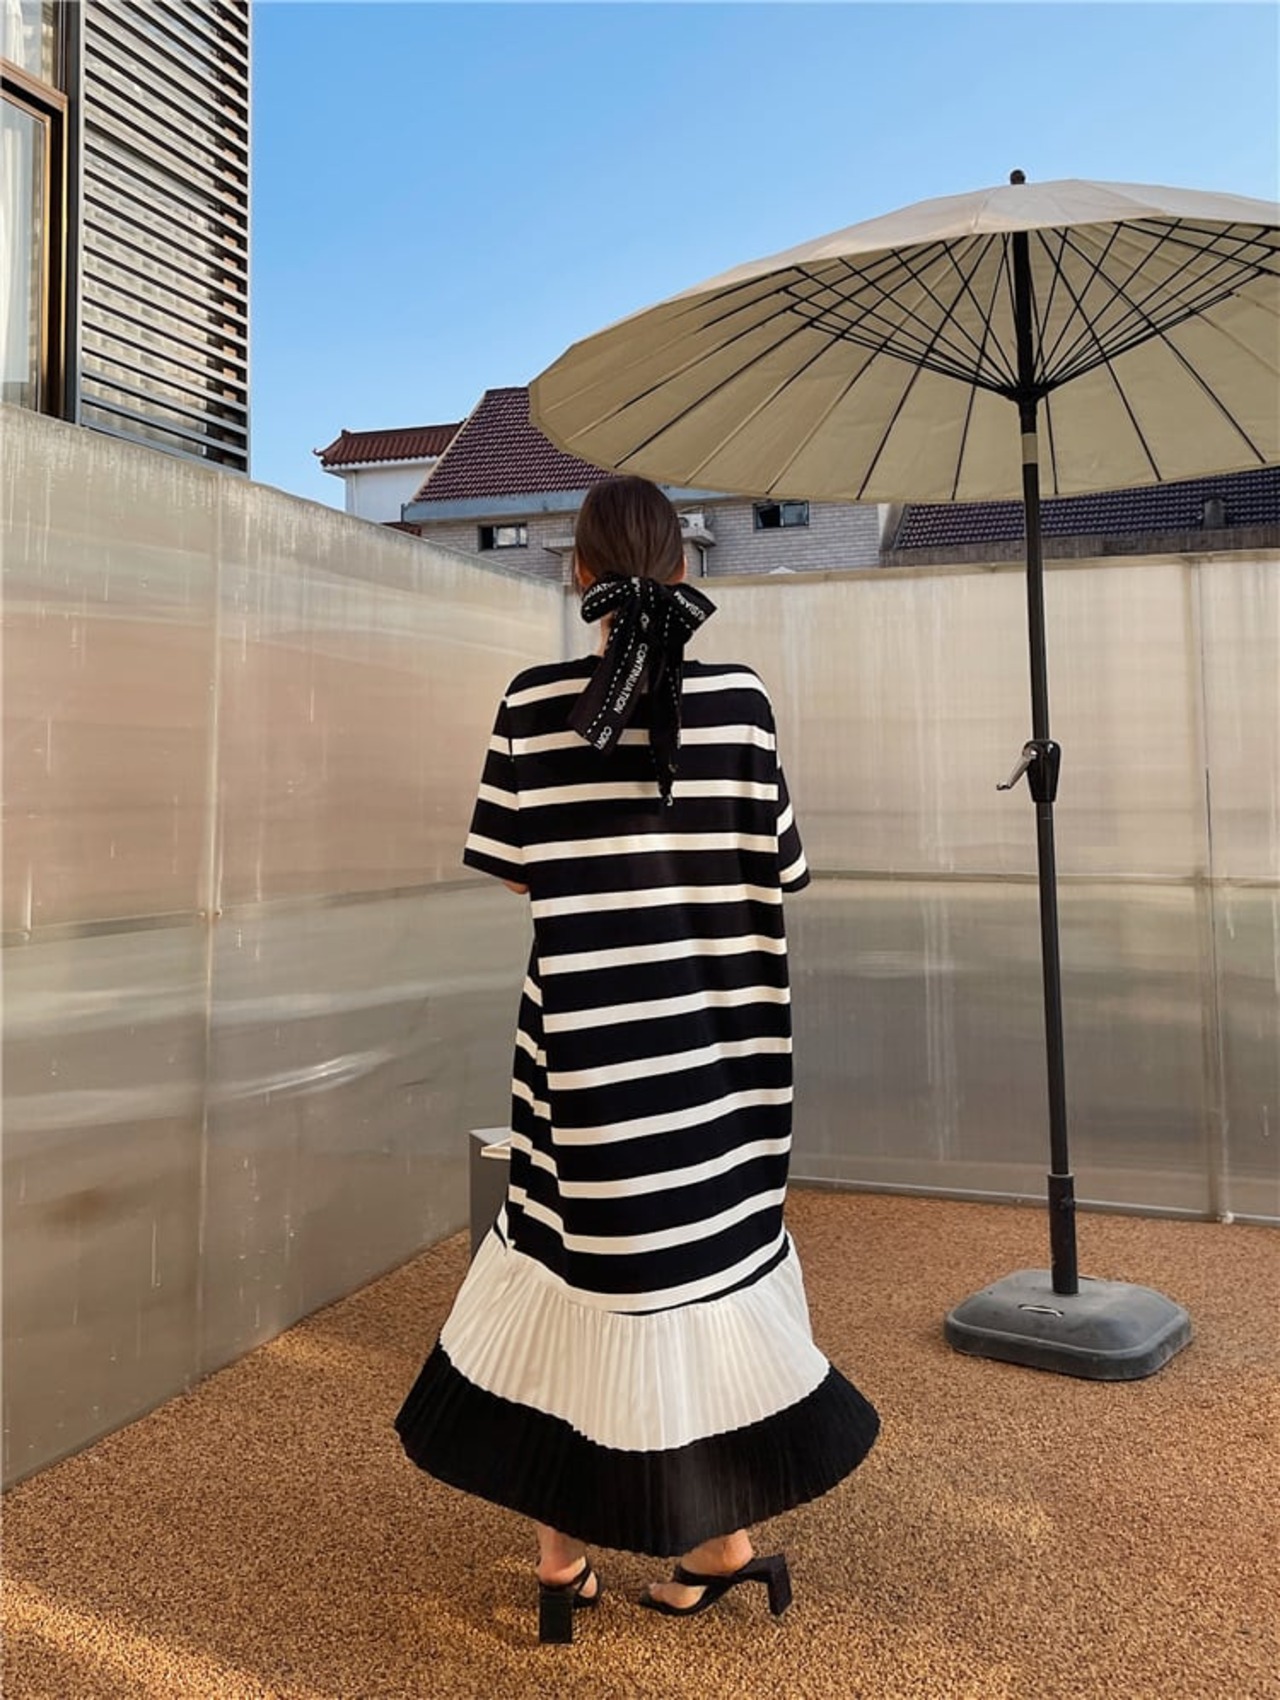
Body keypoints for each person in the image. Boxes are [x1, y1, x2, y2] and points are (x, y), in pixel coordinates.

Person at [395, 475, 879, 1644]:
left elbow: (517, 869)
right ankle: (717, 1545)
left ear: (578, 574)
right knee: (703, 1284)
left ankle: (563, 1562)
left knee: (571, 1289)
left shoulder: (532, 703)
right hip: (721, 1064)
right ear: (684, 565)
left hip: (587, 1063)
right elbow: (780, 869)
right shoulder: (740, 703)